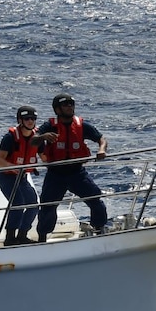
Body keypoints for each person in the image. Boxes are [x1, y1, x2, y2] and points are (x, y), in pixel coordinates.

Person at [35, 93, 109, 239]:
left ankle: (99, 229)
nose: (70, 107)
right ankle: (42, 238)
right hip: (56, 175)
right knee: (47, 208)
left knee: (96, 201)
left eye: (71, 104)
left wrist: (101, 149)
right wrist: (42, 137)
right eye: (65, 105)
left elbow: (101, 138)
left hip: (77, 173)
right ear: (57, 110)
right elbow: (33, 140)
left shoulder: (82, 126)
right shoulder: (49, 126)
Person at [0, 106, 43, 245]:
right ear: (20, 120)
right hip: (6, 176)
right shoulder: (9, 138)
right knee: (18, 203)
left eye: (33, 119)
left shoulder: (37, 138)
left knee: (34, 204)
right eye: (27, 119)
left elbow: (44, 156)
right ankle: (10, 237)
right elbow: (0, 160)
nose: (30, 121)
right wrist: (13, 167)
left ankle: (22, 235)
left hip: (22, 178)